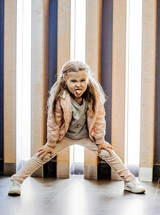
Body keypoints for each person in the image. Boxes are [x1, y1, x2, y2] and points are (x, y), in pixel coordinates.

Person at [8, 60, 145, 196]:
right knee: (42, 155)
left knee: (107, 153)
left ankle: (130, 181)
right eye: (73, 81)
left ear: (87, 80)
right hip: (65, 136)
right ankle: (16, 180)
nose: (78, 84)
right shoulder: (60, 98)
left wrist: (100, 140)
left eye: (82, 80)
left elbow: (99, 119)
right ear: (65, 81)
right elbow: (54, 122)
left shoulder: (93, 96)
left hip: (87, 135)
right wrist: (50, 144)